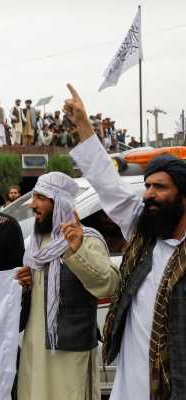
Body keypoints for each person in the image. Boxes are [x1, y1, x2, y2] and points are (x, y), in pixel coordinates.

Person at [65, 83, 186, 400]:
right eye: (147, 186)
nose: (149, 195)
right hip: (132, 381)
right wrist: (83, 126)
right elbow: (108, 186)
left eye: (160, 187)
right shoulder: (144, 234)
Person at [15, 172, 119, 400]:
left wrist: (77, 250)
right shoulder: (35, 245)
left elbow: (109, 284)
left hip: (69, 354)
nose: (34, 204)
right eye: (34, 197)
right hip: (35, 349)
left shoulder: (87, 239)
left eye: (41, 198)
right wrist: (24, 286)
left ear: (59, 202)